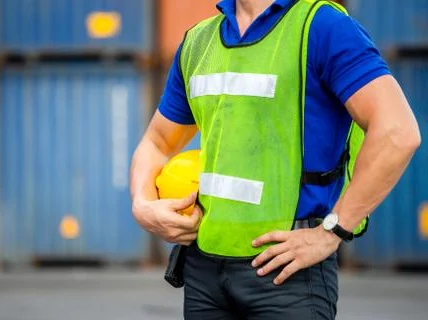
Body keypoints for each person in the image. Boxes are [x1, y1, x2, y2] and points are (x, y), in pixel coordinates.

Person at [130, 0, 421, 318]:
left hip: (287, 276)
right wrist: (142, 205)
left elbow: (398, 132)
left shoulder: (322, 27)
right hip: (204, 274)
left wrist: (331, 233)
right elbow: (157, 142)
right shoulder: (199, 41)